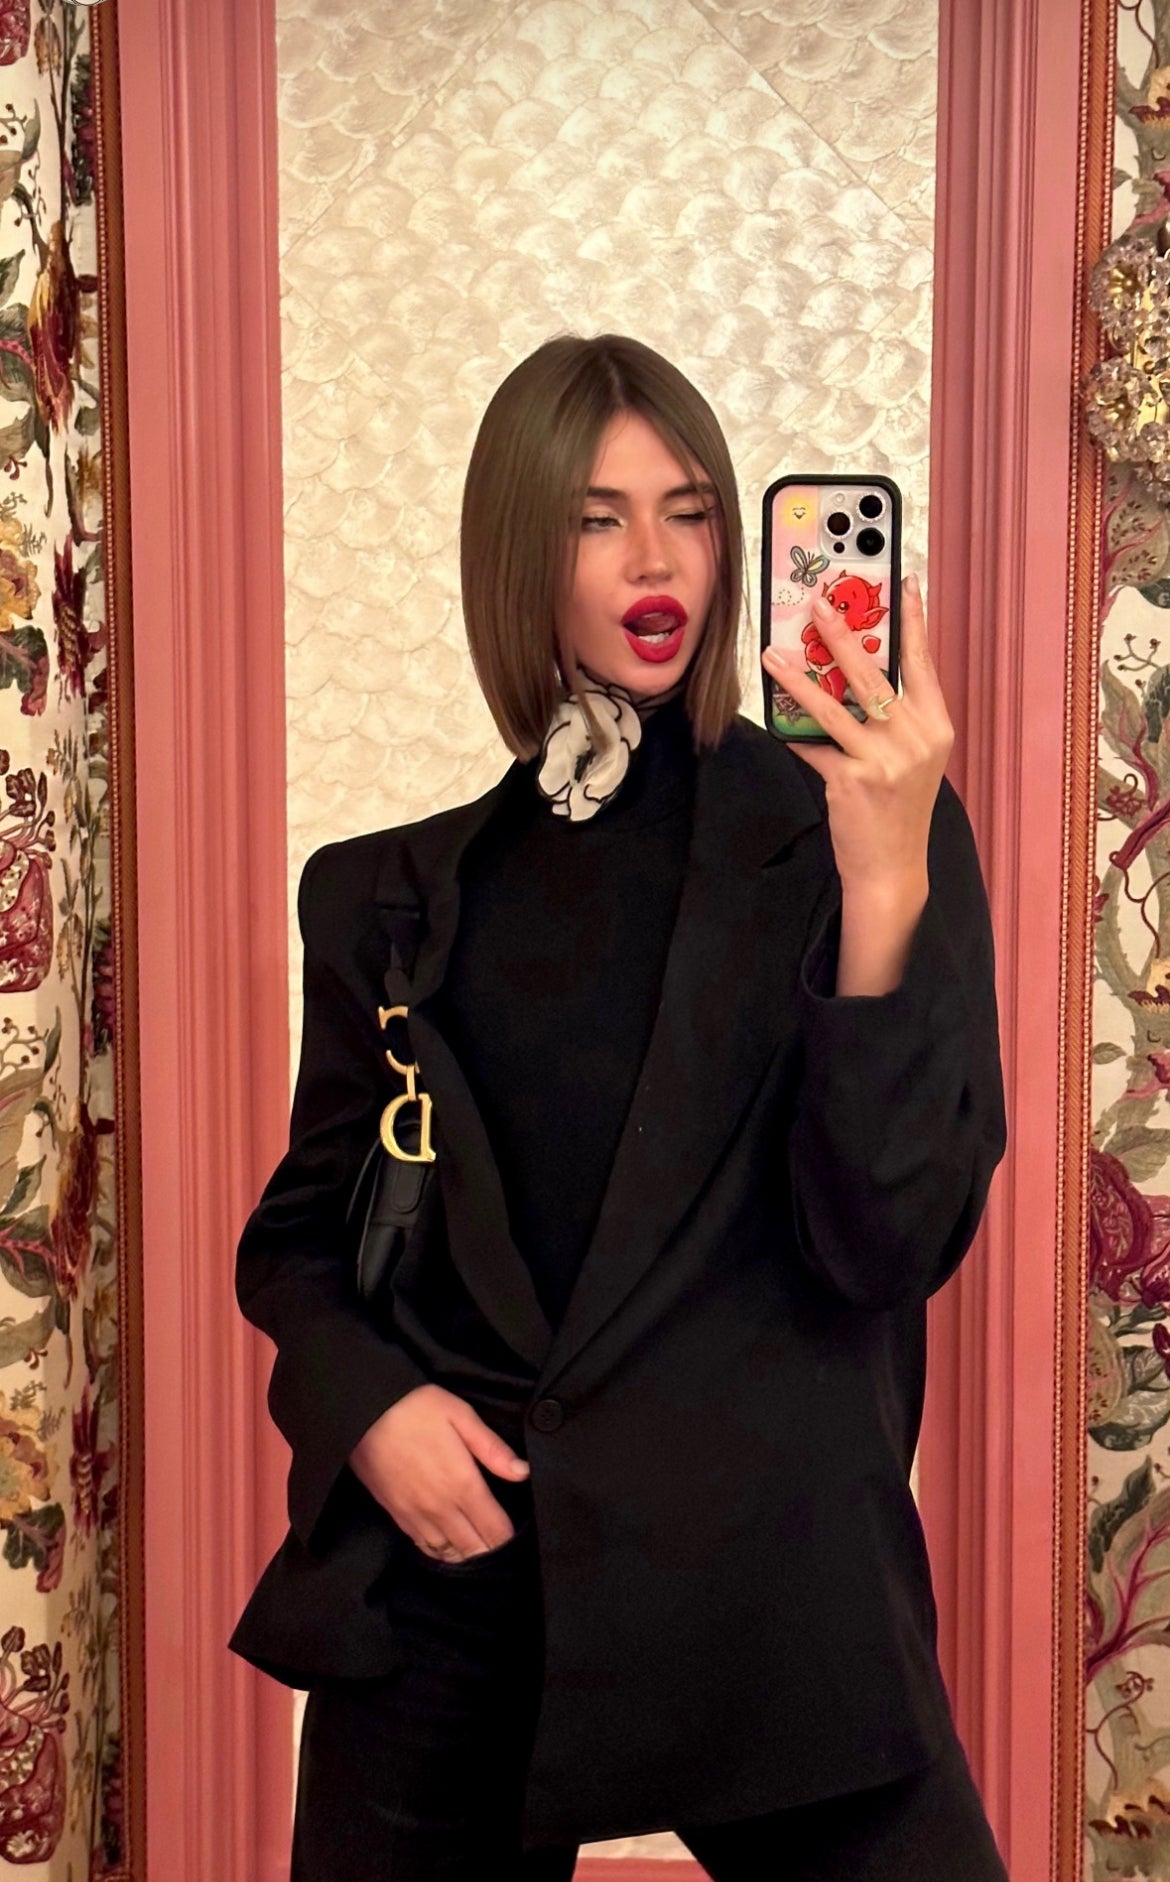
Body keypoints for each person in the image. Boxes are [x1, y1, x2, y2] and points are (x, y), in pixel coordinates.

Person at [229, 334, 1010, 1882]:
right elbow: (300, 1244)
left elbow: (887, 1241)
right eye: (595, 519)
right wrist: (369, 1409)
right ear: (519, 553)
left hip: (769, 1585)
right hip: (455, 1582)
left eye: (688, 510)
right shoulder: (386, 894)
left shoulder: (865, 833)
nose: (653, 559)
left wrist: (885, 877)